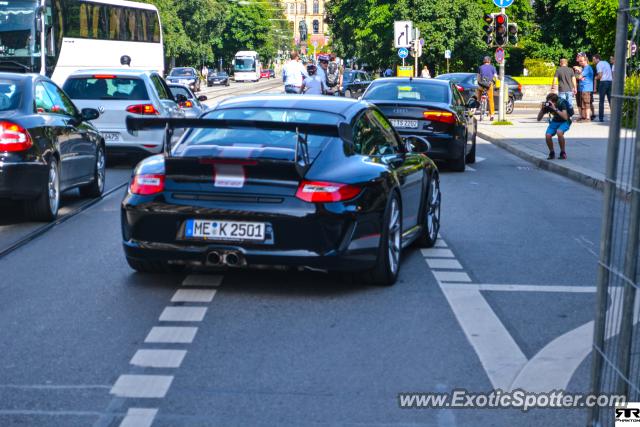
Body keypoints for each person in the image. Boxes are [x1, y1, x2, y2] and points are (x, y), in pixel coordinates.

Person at [537, 92, 572, 160]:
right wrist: (542, 109)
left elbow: (565, 117)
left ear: (555, 102)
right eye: (548, 102)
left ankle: (563, 152)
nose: (549, 104)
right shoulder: (548, 105)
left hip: (565, 121)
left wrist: (555, 108)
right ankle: (552, 152)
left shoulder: (561, 103)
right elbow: (538, 119)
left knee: (559, 132)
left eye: (550, 103)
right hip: (555, 121)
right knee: (548, 135)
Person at [477, 56, 497, 121]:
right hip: (489, 85)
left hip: (482, 85)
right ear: (489, 61)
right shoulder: (493, 67)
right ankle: (492, 115)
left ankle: (478, 104)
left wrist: (478, 83)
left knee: (479, 92)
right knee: (491, 99)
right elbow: (495, 77)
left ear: (484, 61)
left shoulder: (480, 67)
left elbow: (478, 77)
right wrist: (494, 83)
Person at [575, 53, 595, 122]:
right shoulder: (584, 68)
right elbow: (579, 77)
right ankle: (584, 117)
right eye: (580, 61)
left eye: (581, 61)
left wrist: (578, 74)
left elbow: (579, 77)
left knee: (586, 103)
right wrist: (579, 74)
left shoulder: (587, 68)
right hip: (583, 88)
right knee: (582, 104)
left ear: (585, 61)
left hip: (586, 88)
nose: (580, 63)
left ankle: (587, 118)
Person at [594, 54, 613, 122]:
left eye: (594, 59)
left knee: (601, 101)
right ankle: (614, 117)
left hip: (603, 83)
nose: (593, 61)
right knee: (610, 100)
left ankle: (601, 118)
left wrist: (596, 78)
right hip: (610, 82)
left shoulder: (598, 64)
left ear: (597, 59)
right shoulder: (606, 63)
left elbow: (600, 75)